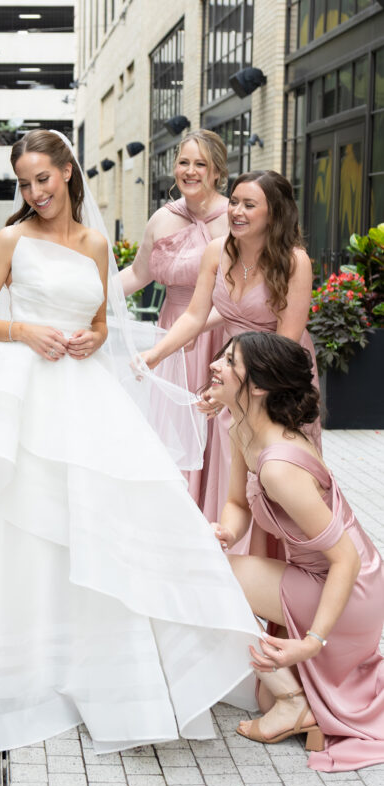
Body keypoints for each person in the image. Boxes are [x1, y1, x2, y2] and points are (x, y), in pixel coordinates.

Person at [0, 128, 259, 756]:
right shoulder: (10, 240)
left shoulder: (96, 243)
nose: (34, 191)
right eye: (23, 183)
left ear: (68, 173)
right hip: (21, 391)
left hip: (83, 393)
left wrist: (94, 339)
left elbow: (104, 321)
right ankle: (12, 662)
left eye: (42, 179)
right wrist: (23, 330)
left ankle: (102, 662)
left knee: (100, 515)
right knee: (11, 519)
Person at [208, 332, 384, 772]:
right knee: (260, 690)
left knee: (208, 576)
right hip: (321, 577)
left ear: (260, 386)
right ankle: (291, 700)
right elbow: (235, 504)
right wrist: (226, 534)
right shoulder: (242, 427)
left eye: (230, 361)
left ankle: (293, 702)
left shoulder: (280, 467)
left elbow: (347, 559)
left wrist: (311, 643)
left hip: (349, 590)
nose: (215, 365)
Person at [139, 170, 318, 525]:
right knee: (229, 472)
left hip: (276, 379)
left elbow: (286, 342)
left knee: (273, 472)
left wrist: (235, 385)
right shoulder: (215, 252)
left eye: (249, 205)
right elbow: (193, 317)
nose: (236, 211)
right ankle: (229, 554)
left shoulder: (295, 262)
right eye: (234, 202)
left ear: (275, 213)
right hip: (233, 370)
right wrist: (154, 355)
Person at [119, 130, 228, 508]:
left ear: (217, 172)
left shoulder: (235, 218)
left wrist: (201, 326)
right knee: (174, 428)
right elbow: (136, 275)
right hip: (172, 333)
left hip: (219, 332)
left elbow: (239, 294)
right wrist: (88, 295)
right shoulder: (162, 218)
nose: (191, 171)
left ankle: (214, 514)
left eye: (201, 164)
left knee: (216, 429)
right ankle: (177, 515)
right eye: (184, 162)